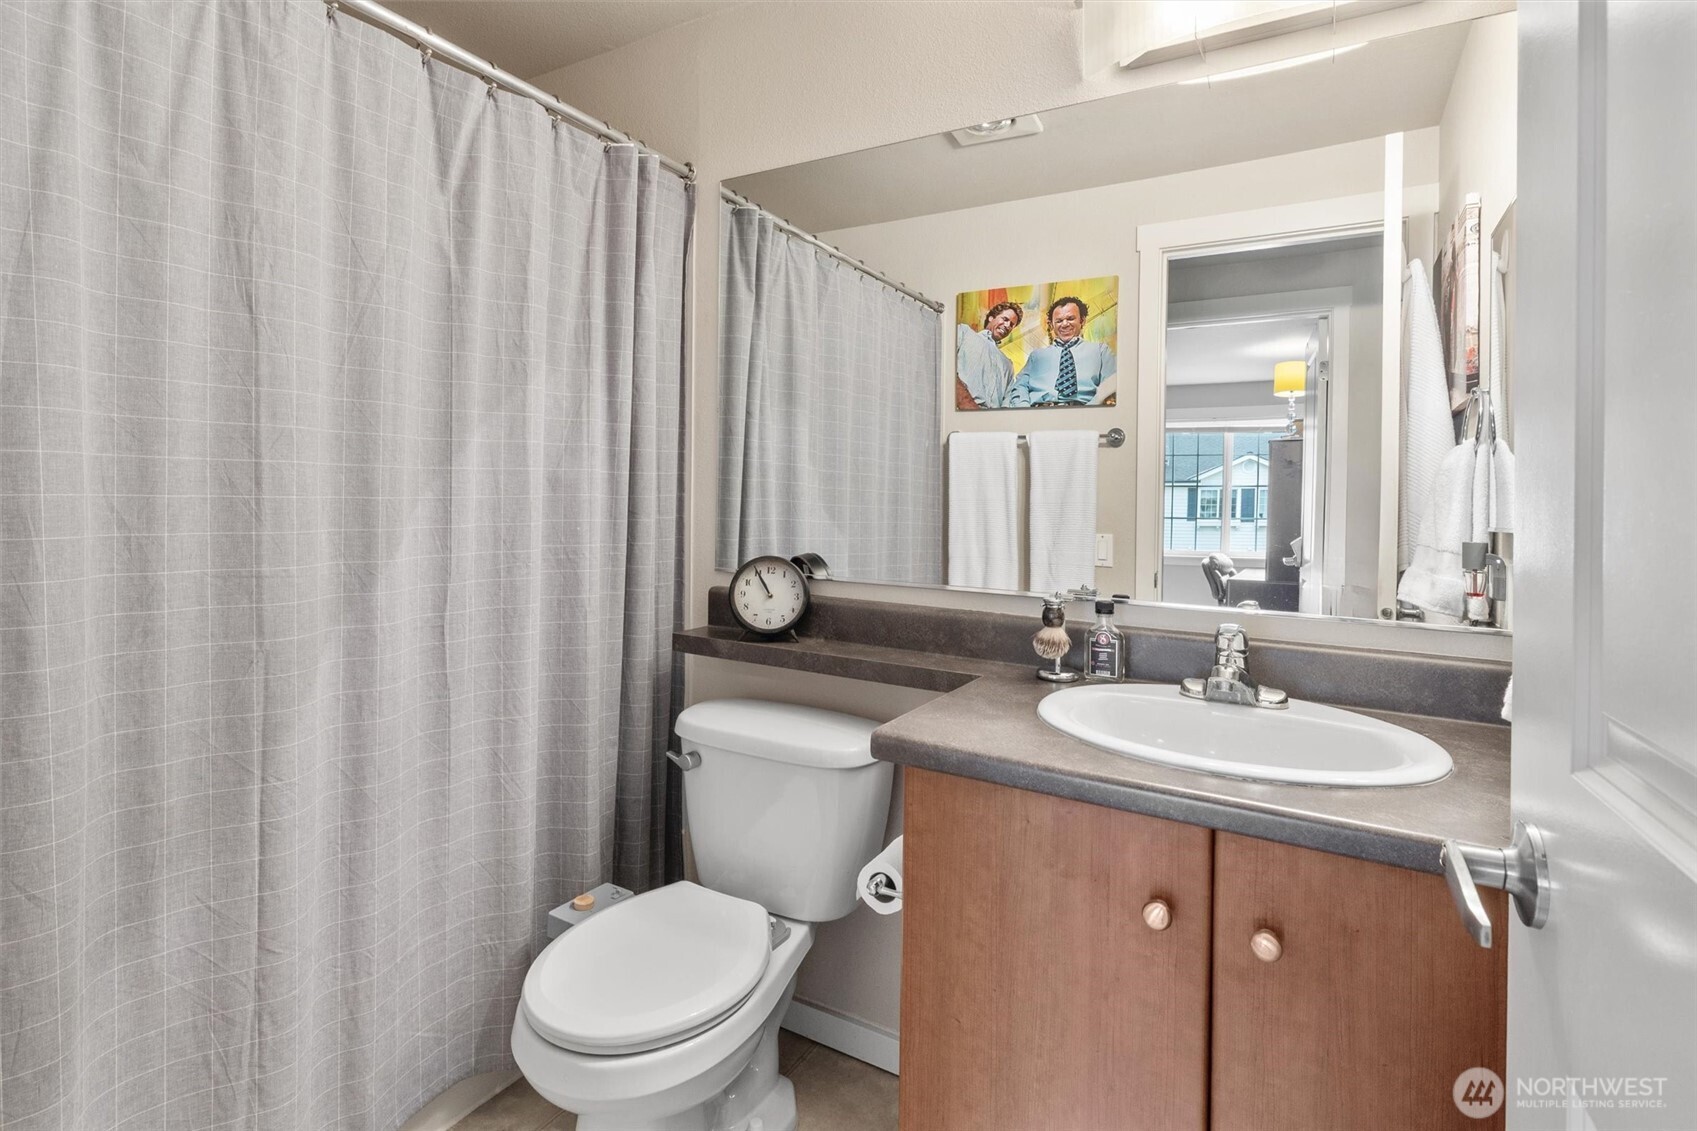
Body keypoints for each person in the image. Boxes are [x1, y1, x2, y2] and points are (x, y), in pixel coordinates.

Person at [1004, 295, 1116, 407]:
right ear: (1052, 324)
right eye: (1059, 321)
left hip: (1083, 413)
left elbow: (1110, 385)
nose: (1065, 324)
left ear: (1082, 320)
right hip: (1039, 414)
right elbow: (1019, 386)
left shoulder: (1101, 351)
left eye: (1070, 318)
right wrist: (1025, 408)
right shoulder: (1036, 356)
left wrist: (1087, 412)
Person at [954, 301, 1023, 409]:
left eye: (1011, 325)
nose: (1007, 326)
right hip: (959, 411)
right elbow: (944, 365)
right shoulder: (964, 332)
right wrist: (964, 402)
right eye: (1005, 319)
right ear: (991, 317)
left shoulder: (1008, 364)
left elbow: (1007, 400)